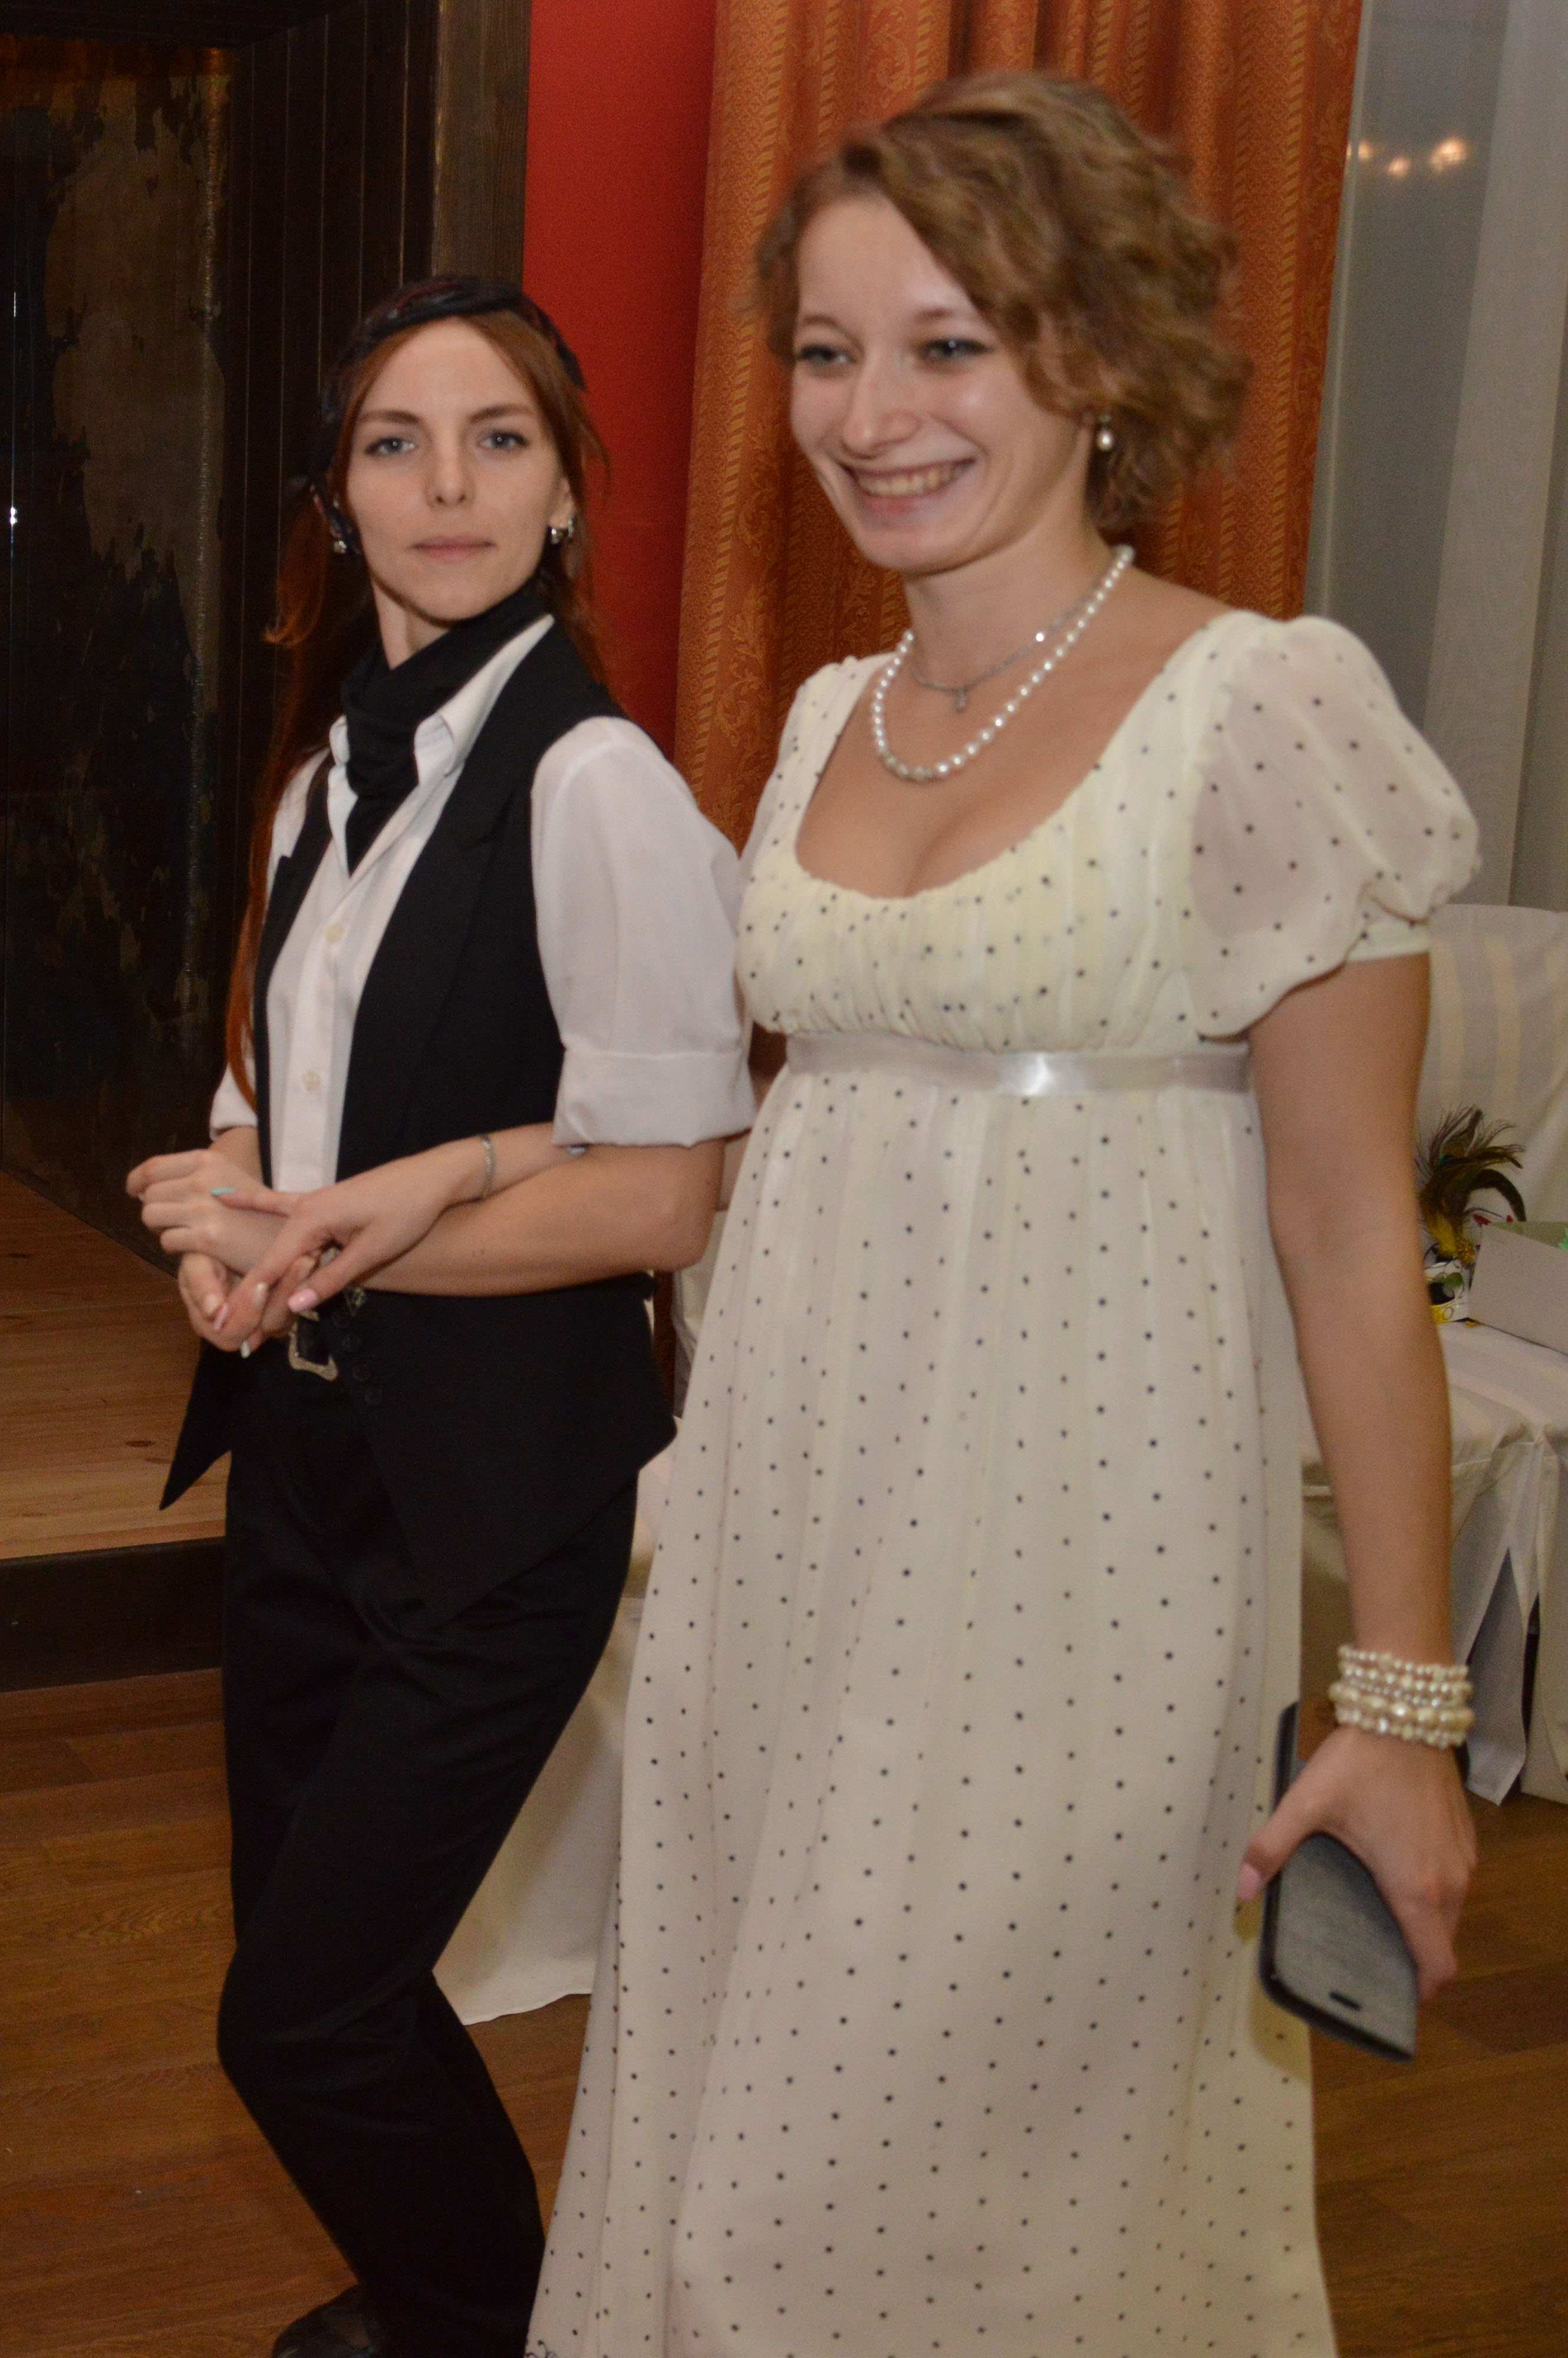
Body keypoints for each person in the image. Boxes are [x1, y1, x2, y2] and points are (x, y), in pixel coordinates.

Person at [527, 76, 1480, 2358]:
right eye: (825, 350)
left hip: (1074, 1594)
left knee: (915, 2203)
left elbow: (1351, 1232)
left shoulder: (1262, 704)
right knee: (732, 2131)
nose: (870, 415)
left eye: (946, 345)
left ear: (1095, 353)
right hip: (780, 1556)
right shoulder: (827, 714)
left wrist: (1401, 1705)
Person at [126, 276, 753, 2358]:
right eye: (395, 445)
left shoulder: (598, 784)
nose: (447, 486)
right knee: (327, 1976)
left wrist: (315, 1237)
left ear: (565, 490)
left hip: (495, 1503)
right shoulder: (320, 778)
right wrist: (224, 1232)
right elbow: (263, 1101)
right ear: (339, 498)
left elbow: (659, 1196)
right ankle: (452, 2302)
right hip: (304, 1463)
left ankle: (481, 2320)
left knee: (296, 2020)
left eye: (499, 440)